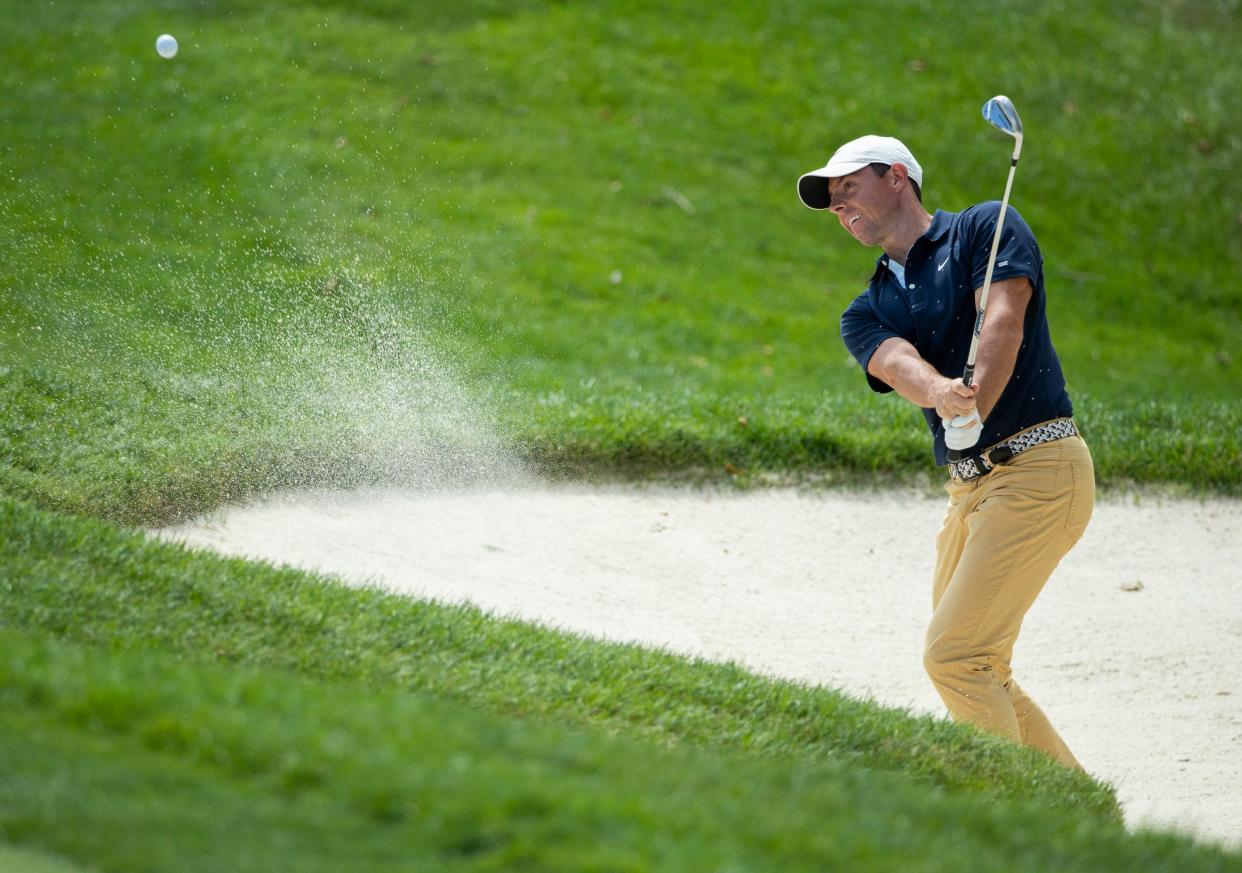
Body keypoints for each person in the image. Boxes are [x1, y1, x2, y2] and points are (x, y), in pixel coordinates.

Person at [797, 135, 1093, 769]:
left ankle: (1017, 827)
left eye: (849, 188)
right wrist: (939, 390)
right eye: (831, 203)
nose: (840, 208)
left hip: (1039, 469)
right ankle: (1086, 824)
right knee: (980, 664)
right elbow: (898, 363)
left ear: (897, 176)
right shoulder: (865, 309)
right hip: (968, 491)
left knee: (955, 657)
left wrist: (975, 395)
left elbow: (1002, 318)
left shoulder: (985, 227)